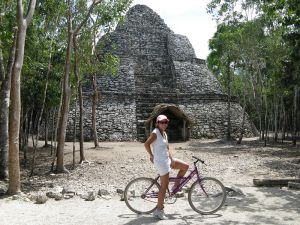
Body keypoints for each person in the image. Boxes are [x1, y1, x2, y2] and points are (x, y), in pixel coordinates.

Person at [144, 114, 189, 220]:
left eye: (166, 122)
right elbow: (146, 144)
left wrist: (172, 159)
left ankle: (175, 187)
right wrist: (151, 155)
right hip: (161, 162)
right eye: (162, 122)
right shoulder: (155, 133)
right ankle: (159, 211)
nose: (164, 124)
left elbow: (167, 148)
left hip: (167, 160)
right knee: (164, 187)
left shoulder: (164, 133)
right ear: (157, 123)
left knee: (185, 166)